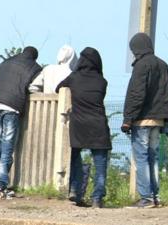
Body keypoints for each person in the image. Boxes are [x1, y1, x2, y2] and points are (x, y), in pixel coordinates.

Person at [0, 46, 42, 197]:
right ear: (34, 57)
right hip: (11, 106)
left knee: (0, 140)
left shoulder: (6, 62)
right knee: (8, 146)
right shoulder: (34, 67)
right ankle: (2, 184)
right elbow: (34, 88)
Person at [121, 33, 168, 208]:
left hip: (142, 120)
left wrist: (128, 118)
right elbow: (167, 95)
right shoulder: (164, 65)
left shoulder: (141, 66)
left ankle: (146, 198)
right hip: (158, 120)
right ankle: (155, 196)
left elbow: (136, 94)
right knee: (153, 157)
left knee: (141, 157)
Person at [56, 47, 112, 208]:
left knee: (75, 158)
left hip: (79, 124)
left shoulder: (74, 77)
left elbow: (58, 88)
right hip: (98, 125)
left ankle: (75, 190)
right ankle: (97, 199)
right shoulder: (102, 81)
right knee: (100, 163)